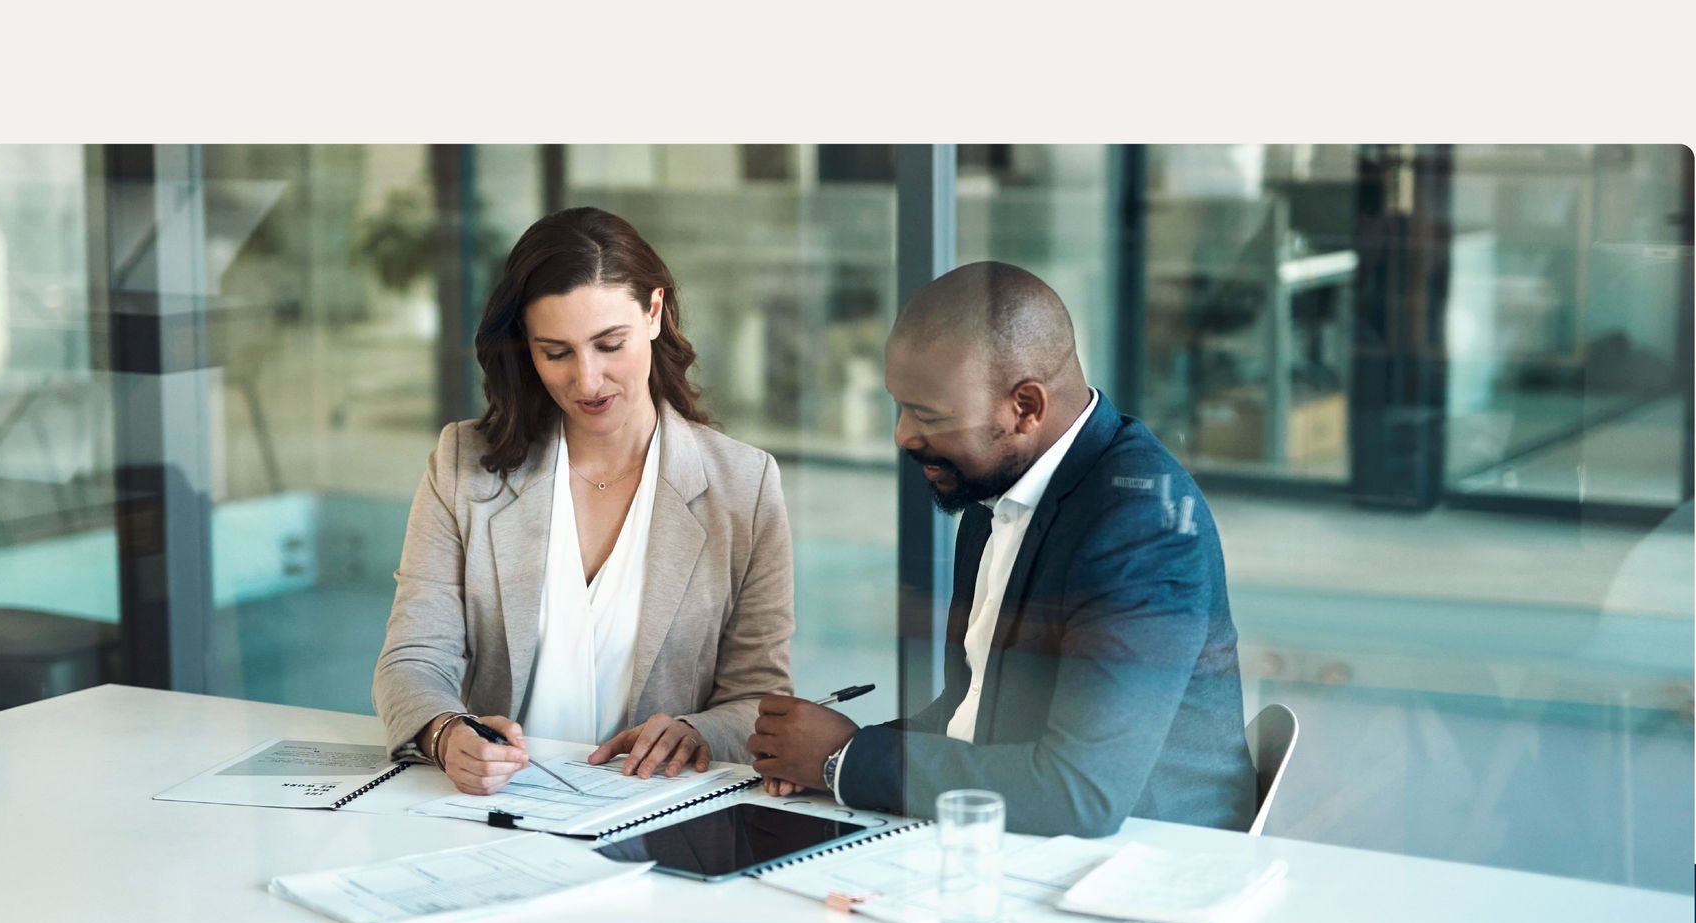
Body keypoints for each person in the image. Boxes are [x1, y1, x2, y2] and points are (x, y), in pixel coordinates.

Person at [746, 261, 1253, 837]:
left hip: (1145, 866)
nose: (903, 436)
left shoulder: (1140, 528)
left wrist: (848, 761)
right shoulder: (999, 491)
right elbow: (973, 709)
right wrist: (827, 753)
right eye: (901, 406)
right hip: (1027, 846)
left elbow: (1078, 793)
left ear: (1026, 408)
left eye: (930, 416)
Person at [374, 207, 793, 797]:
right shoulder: (462, 464)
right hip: (497, 809)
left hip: (659, 814)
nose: (588, 381)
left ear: (654, 312)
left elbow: (760, 698)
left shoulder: (744, 486)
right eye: (556, 352)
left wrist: (698, 732)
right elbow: (412, 659)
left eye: (609, 344)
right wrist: (445, 732)